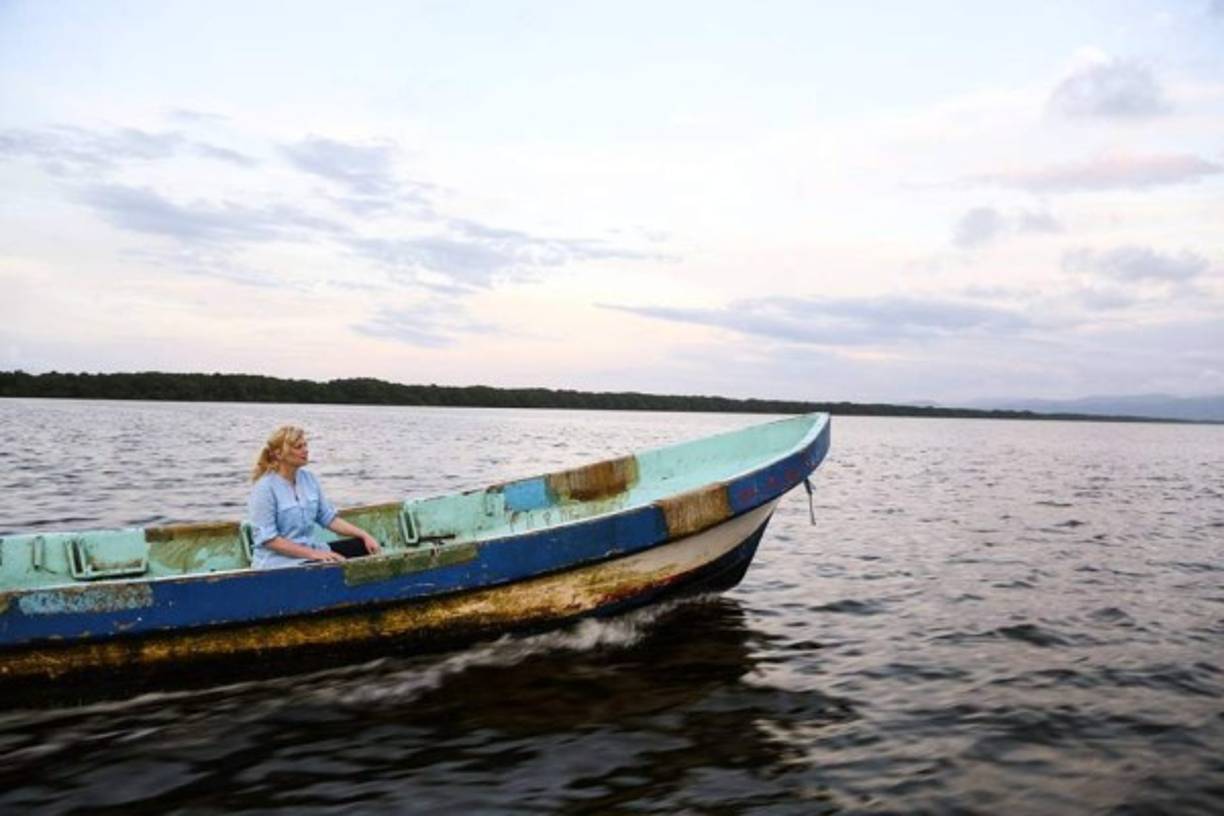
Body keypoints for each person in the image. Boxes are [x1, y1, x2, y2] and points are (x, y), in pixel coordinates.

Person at [247, 425, 381, 569]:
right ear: (279, 454)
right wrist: (314, 554)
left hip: (311, 552)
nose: (306, 450)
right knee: (330, 566)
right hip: (278, 562)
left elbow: (327, 518)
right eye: (299, 447)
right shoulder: (264, 488)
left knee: (362, 547)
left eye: (305, 445)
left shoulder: (309, 479)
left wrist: (364, 535)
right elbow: (269, 539)